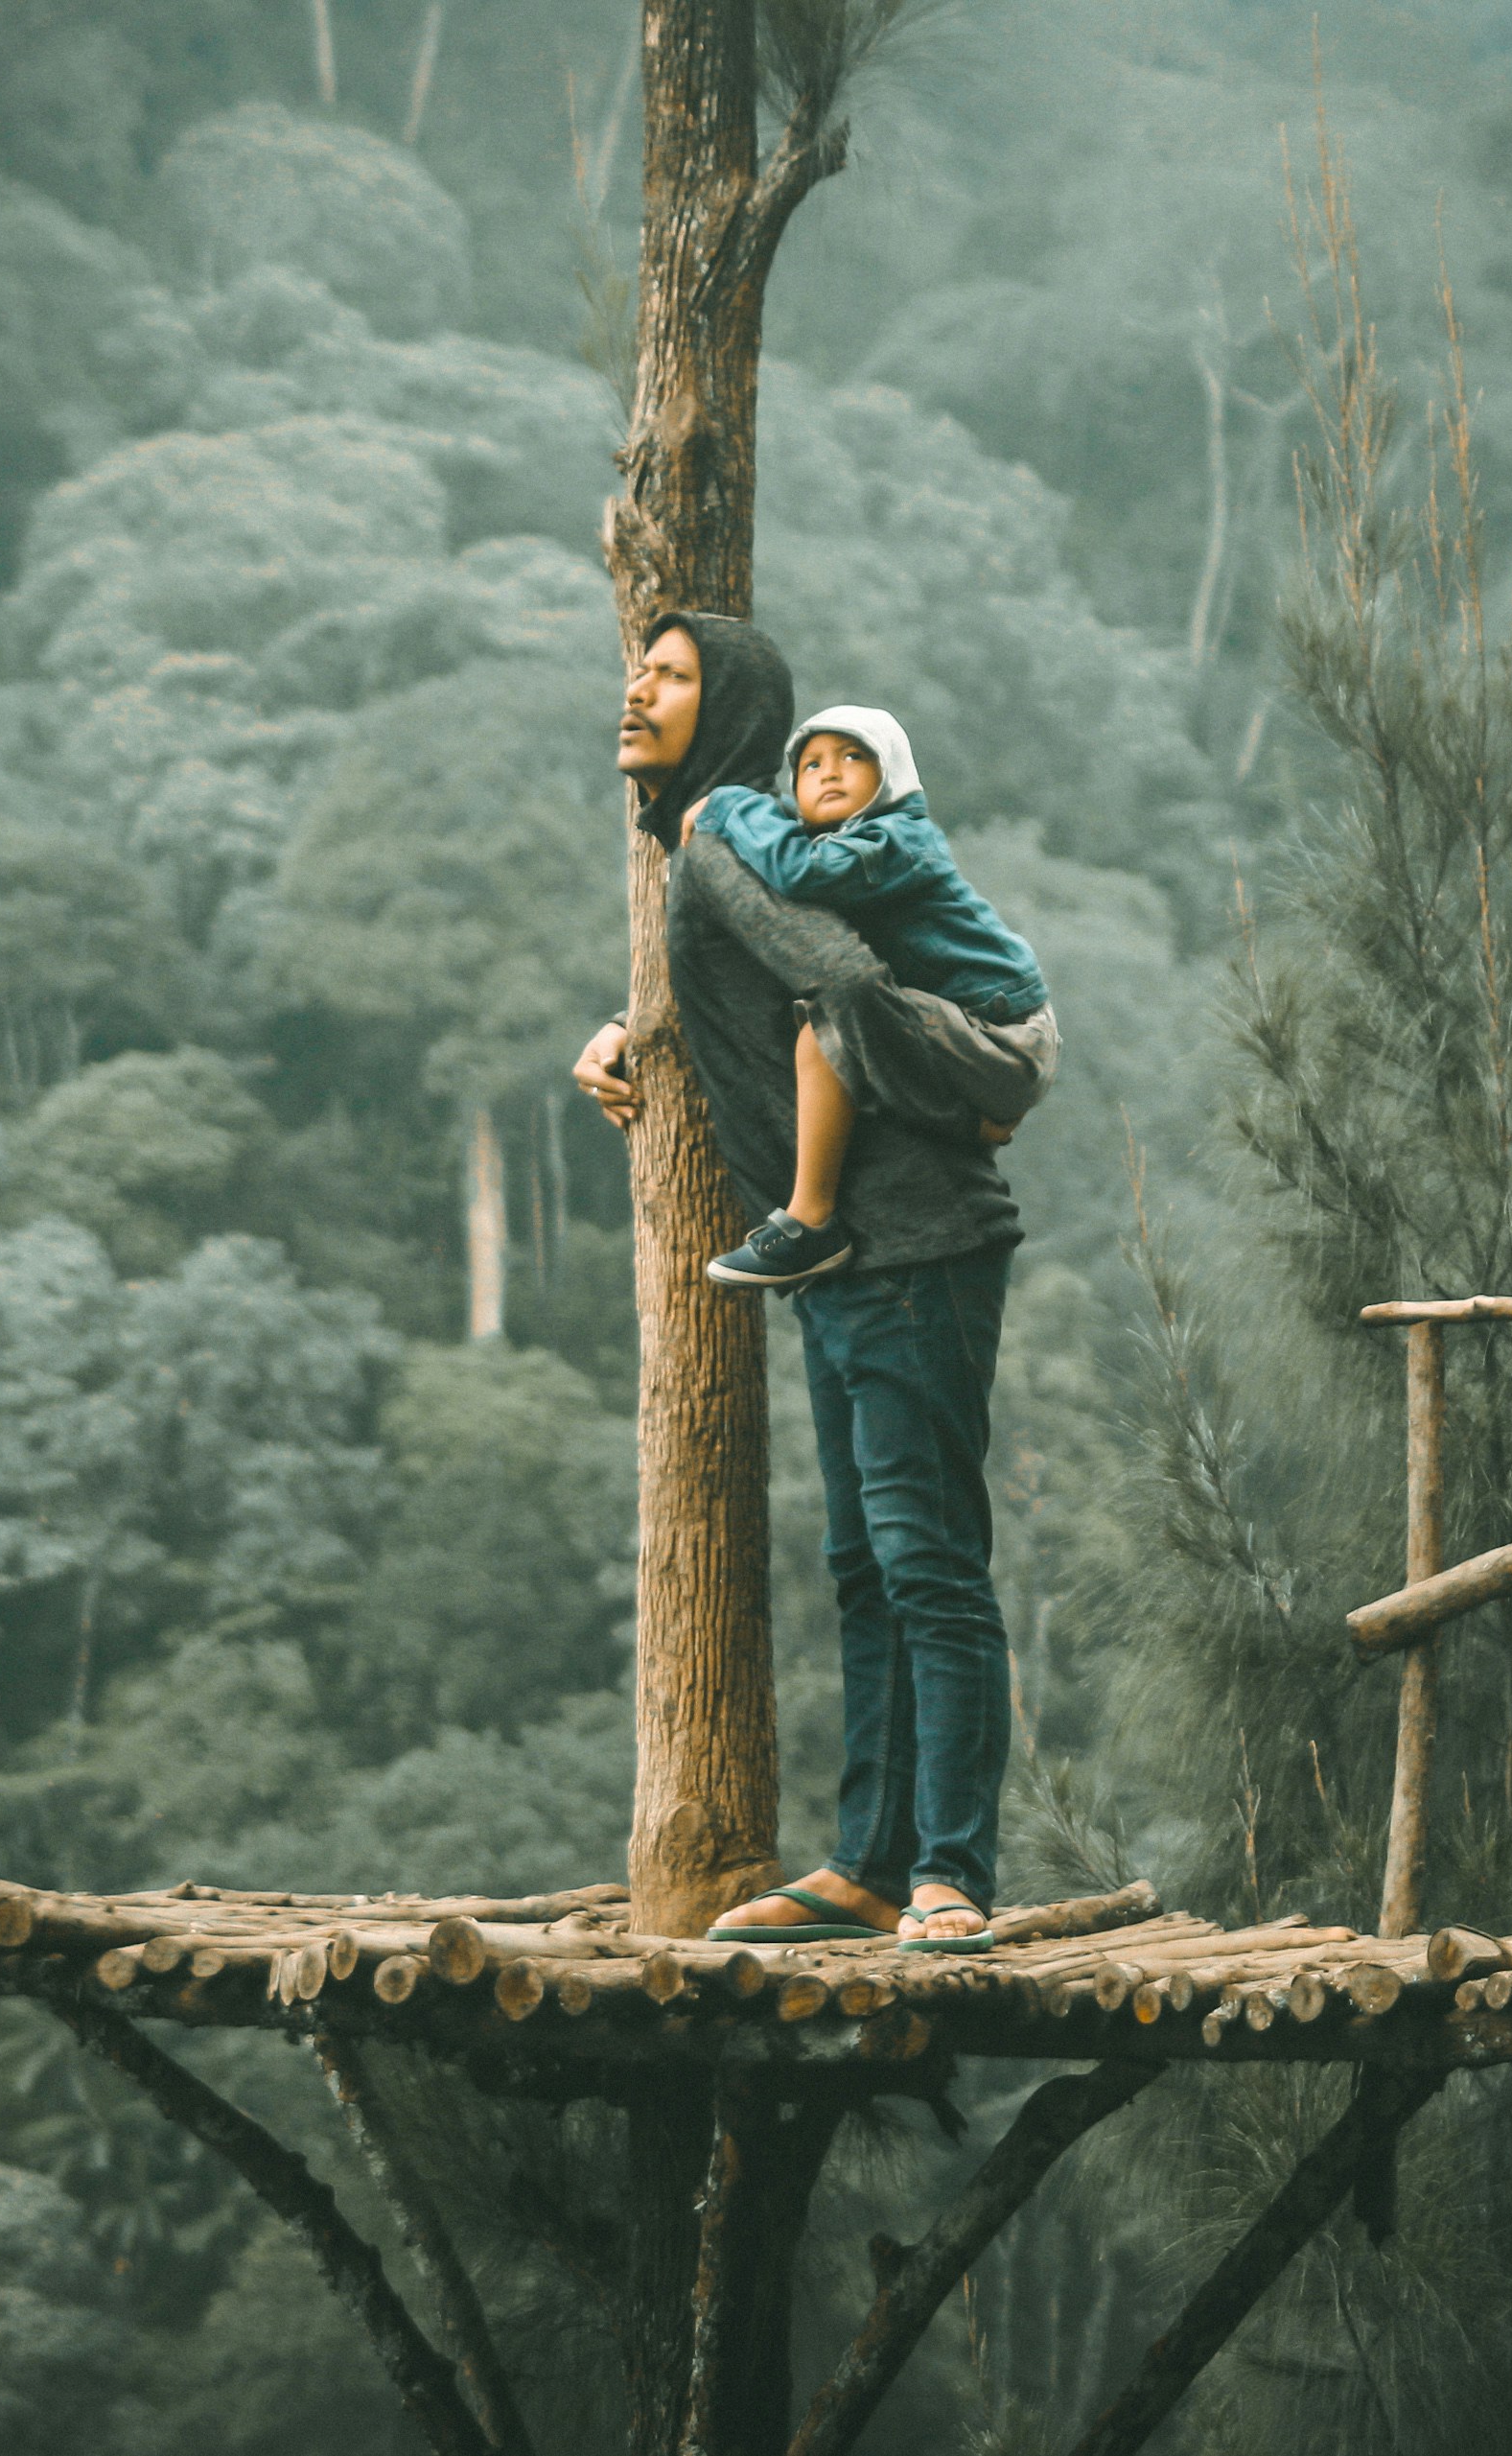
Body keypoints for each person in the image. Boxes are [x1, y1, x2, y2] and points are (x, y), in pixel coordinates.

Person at [573, 612, 1024, 1953]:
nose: (636, 689)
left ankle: (950, 1871)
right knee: (865, 1570)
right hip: (842, 1257)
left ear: (727, 710)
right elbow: (754, 982)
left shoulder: (724, 825)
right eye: (638, 668)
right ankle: (870, 1864)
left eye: (669, 675)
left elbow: (838, 974)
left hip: (914, 1241)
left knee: (927, 1564)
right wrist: (630, 1023)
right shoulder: (705, 845)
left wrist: (962, 1085)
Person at [692, 702, 1058, 1289]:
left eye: (853, 756)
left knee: (827, 1029)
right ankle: (972, 1120)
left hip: (1006, 1035)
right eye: (810, 765)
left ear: (892, 774)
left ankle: (810, 1223)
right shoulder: (844, 845)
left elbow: (800, 873)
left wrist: (733, 807)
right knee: (837, 1030)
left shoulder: (895, 839)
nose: (830, 772)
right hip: (969, 1030)